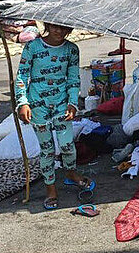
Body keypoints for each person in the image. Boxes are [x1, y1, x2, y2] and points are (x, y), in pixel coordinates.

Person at [15, 23, 94, 210]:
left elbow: (74, 80)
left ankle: (71, 173)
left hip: (62, 105)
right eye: (55, 27)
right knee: (47, 150)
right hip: (37, 107)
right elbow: (21, 76)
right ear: (47, 25)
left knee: (67, 145)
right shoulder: (32, 47)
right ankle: (50, 188)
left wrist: (72, 103)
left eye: (65, 28)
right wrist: (22, 102)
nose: (59, 31)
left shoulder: (71, 50)